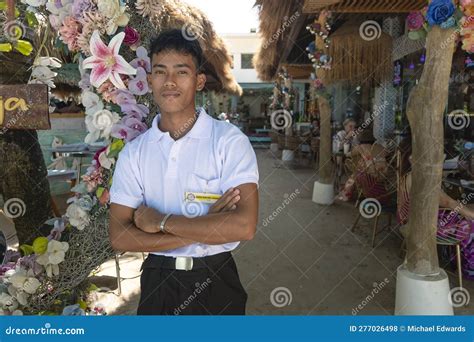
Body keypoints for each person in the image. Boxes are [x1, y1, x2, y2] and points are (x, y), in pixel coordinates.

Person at [108, 29, 259, 315]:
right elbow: (120, 236)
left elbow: (244, 226)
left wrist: (160, 220)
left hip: (216, 278)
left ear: (199, 81)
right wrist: (206, 226)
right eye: (161, 72)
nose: (170, 82)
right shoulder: (135, 152)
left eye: (182, 72)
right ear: (150, 80)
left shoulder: (228, 141)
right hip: (157, 279)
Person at [398, 137, 474, 278]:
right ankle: (468, 267)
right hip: (420, 224)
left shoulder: (411, 174)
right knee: (470, 221)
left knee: (467, 208)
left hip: (413, 217)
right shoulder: (420, 176)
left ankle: (452, 257)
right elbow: (447, 202)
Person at [337, 129, 388, 201]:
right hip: (383, 175)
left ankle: (346, 194)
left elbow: (349, 154)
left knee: (354, 175)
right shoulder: (381, 147)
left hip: (369, 176)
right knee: (362, 165)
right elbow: (386, 154)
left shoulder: (361, 147)